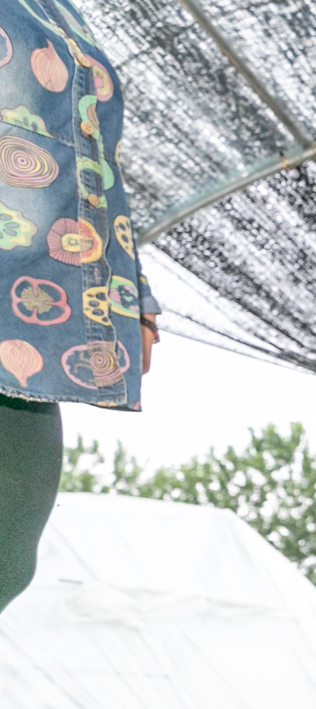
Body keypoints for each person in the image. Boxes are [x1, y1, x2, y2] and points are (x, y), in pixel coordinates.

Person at [0, 1, 157, 612]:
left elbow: (95, 151)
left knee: (9, 556)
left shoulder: (59, 9)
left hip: (35, 303)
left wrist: (131, 295)